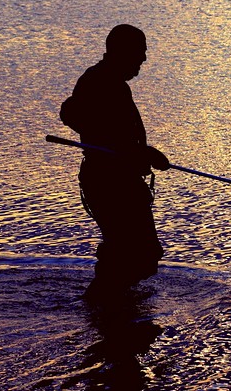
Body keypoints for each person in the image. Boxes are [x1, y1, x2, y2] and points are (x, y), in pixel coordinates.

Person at [59, 24, 170, 298]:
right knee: (136, 252)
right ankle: (103, 304)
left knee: (137, 253)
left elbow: (78, 115)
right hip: (108, 181)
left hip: (118, 179)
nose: (144, 59)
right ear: (123, 51)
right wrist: (142, 153)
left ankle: (112, 305)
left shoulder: (110, 82)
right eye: (140, 52)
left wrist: (142, 153)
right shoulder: (100, 81)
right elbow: (72, 113)